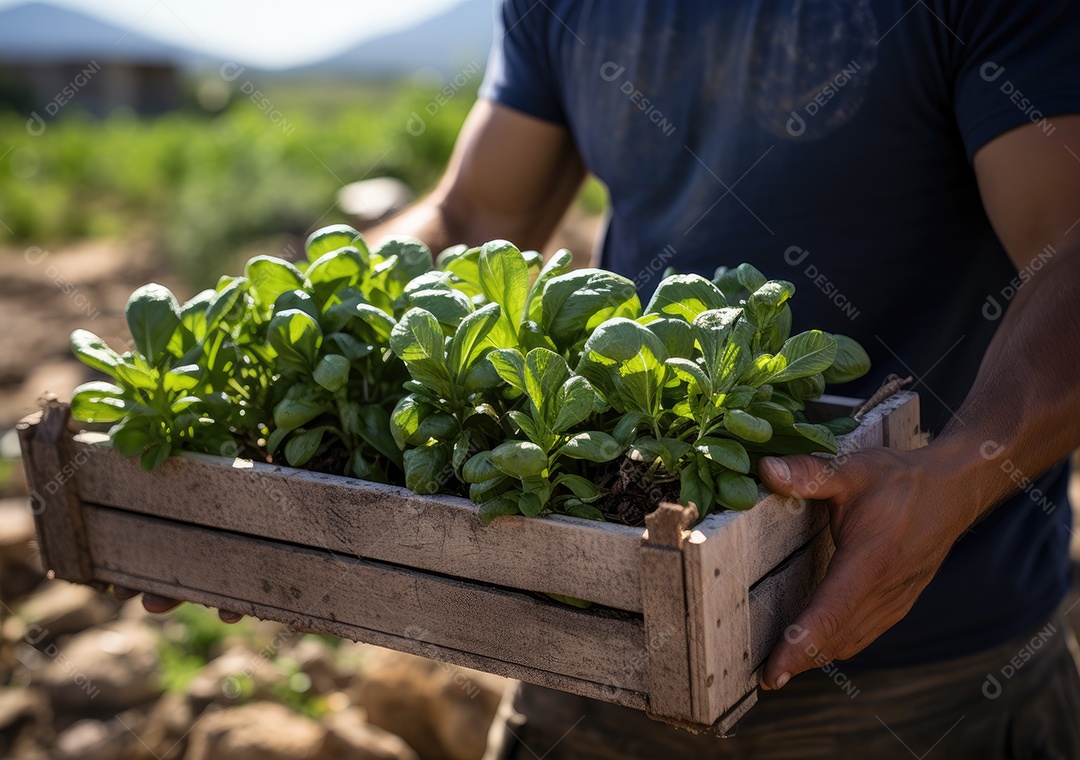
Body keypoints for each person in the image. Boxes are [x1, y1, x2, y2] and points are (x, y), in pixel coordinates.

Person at [124, 1, 1080, 756]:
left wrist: (952, 480)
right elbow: (470, 216)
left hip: (923, 671)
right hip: (603, 633)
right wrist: (245, 386)